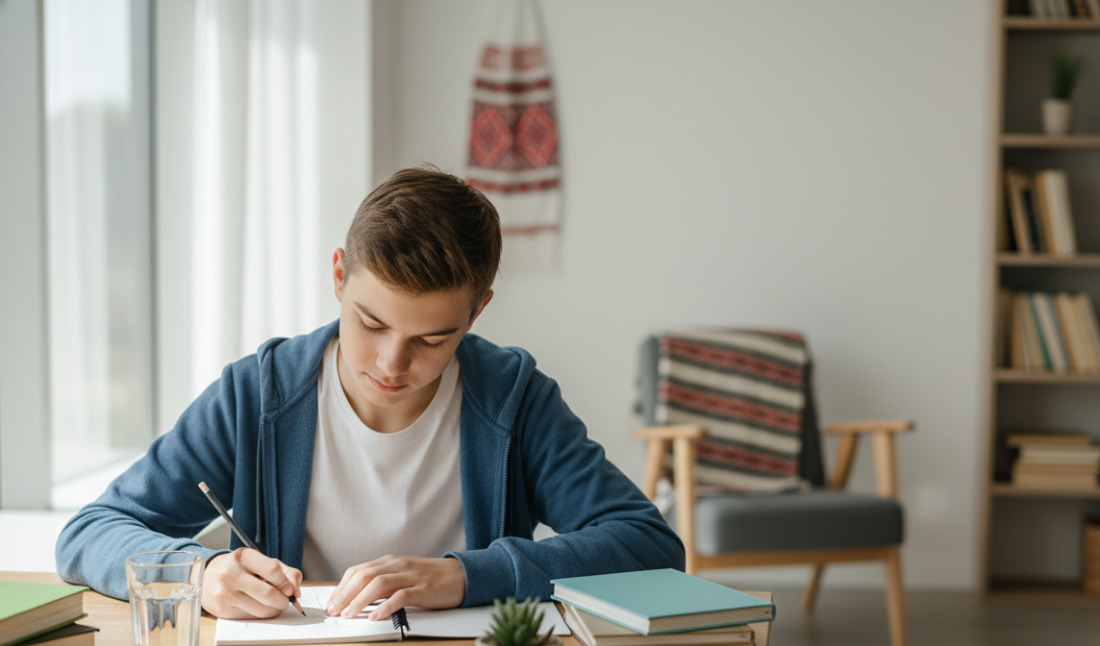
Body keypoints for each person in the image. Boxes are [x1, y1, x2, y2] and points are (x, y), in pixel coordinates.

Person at [56, 166, 684, 621]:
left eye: (432, 339)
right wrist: (203, 572)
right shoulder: (256, 396)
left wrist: (466, 575)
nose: (391, 363)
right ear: (339, 275)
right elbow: (89, 532)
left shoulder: (515, 401)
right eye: (371, 323)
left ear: (477, 312)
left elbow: (650, 544)